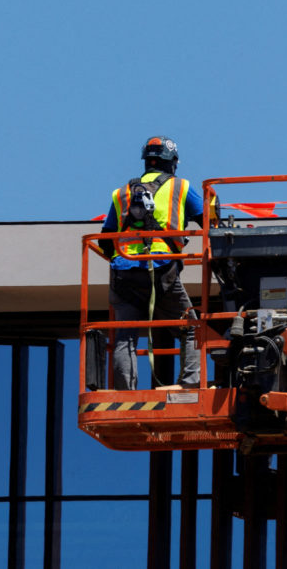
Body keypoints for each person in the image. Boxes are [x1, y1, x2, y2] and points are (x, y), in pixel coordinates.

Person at [99, 136, 204, 390]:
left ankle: (125, 392)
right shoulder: (180, 186)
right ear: (173, 163)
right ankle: (190, 383)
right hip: (161, 267)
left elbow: (105, 240)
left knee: (125, 335)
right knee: (191, 327)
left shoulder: (121, 192)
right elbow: (209, 220)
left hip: (123, 271)